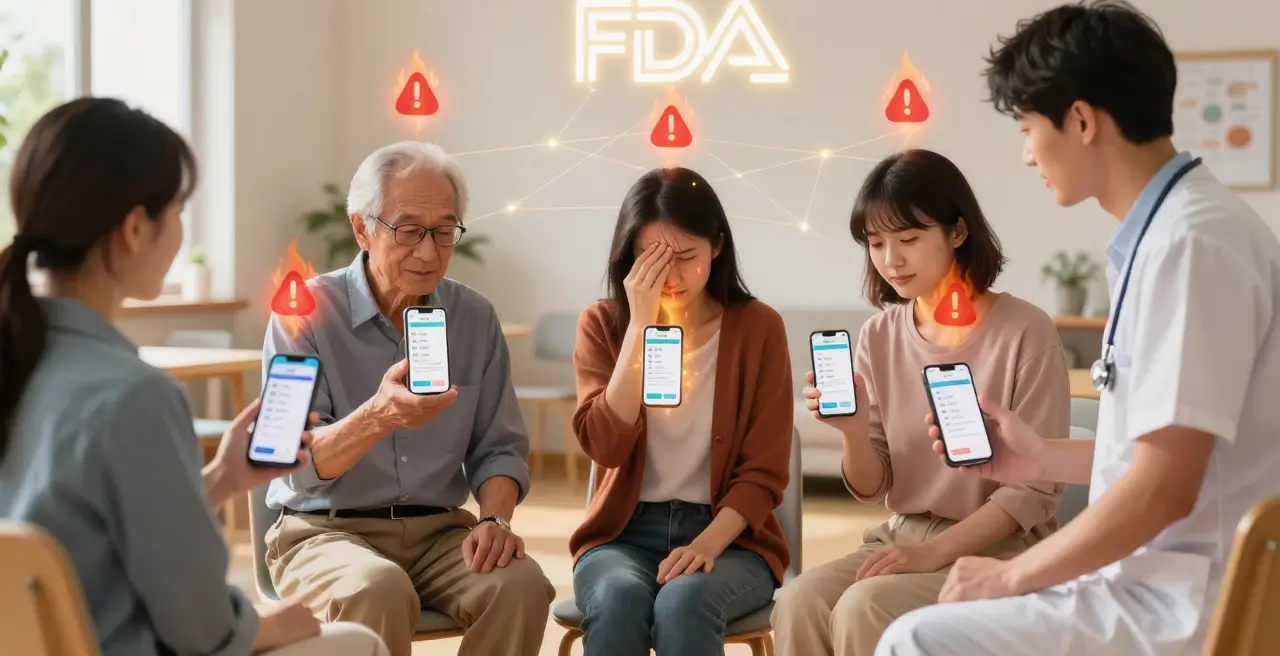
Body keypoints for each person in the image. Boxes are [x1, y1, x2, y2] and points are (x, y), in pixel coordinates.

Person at [875, 0, 1280, 656]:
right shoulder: (1173, 234)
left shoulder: (1190, 246)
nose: (1029, 156)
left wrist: (1010, 575)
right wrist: (1039, 456)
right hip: (1151, 581)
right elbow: (1176, 455)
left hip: (1179, 605)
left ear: (1082, 120)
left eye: (1029, 128)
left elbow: (1165, 489)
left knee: (915, 640)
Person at [0, 98, 387, 656]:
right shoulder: (133, 397)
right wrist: (270, 625)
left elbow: (86, 536)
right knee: (356, 642)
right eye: (178, 211)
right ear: (135, 228)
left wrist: (221, 478)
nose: (181, 231)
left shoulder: (24, 362)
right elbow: (202, 631)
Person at [772, 149, 1071, 655]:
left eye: (909, 239)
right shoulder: (879, 335)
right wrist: (850, 430)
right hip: (900, 534)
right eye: (876, 243)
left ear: (958, 232)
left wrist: (935, 552)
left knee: (863, 606)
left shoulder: (1026, 331)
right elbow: (872, 487)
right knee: (798, 599)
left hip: (998, 545)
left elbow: (1033, 492)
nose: (892, 259)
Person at [262, 141, 554, 656]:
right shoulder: (302, 314)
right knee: (377, 588)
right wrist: (378, 415)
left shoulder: (475, 318)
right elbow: (291, 462)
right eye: (408, 229)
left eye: (444, 231)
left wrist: (495, 519)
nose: (428, 250)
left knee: (521, 585)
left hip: (439, 532)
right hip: (323, 534)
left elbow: (500, 449)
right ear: (362, 228)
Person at [569, 167, 793, 656]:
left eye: (685, 257)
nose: (669, 277)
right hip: (622, 534)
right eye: (652, 260)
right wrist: (639, 327)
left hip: (730, 538)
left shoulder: (759, 329)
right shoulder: (601, 325)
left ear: (716, 245)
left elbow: (765, 472)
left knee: (684, 601)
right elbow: (604, 445)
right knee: (617, 597)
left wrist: (708, 543)